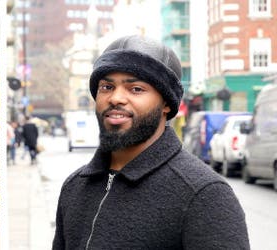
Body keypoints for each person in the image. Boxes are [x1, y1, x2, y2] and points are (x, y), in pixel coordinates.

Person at [52, 35, 249, 249]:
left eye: (136, 89)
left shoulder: (205, 194)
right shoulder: (75, 186)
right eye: (106, 87)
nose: (116, 98)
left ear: (166, 103)